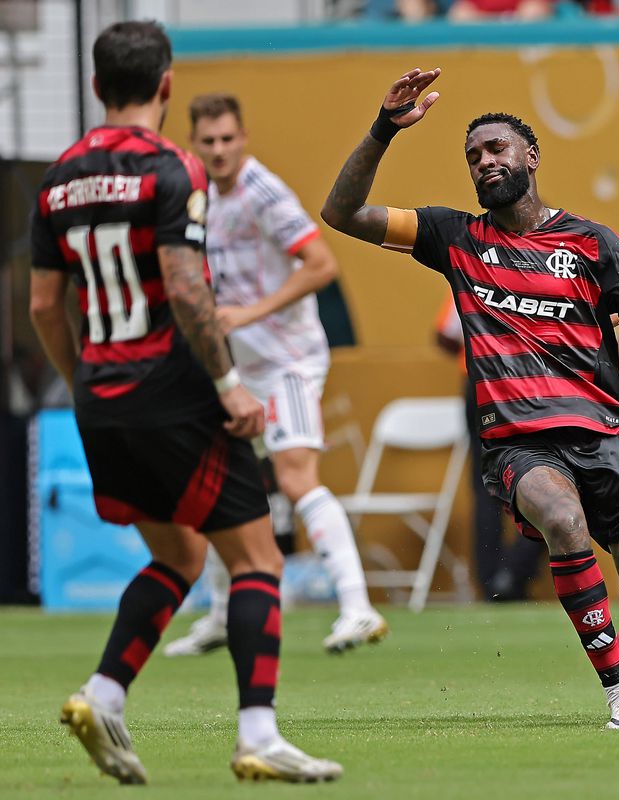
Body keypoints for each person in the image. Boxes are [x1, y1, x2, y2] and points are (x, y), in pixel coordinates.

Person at [320, 67, 619, 729]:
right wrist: (384, 128)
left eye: (496, 149)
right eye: (473, 156)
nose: (484, 162)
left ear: (531, 157)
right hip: (520, 443)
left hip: (609, 438)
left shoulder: (591, 243)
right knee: (561, 523)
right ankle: (618, 685)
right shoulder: (457, 238)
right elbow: (342, 214)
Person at [29, 21, 339, 783]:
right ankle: (259, 734)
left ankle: (103, 693)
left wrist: (82, 381)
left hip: (100, 393)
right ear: (166, 86)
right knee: (258, 557)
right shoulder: (174, 168)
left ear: (99, 88)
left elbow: (43, 305)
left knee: (178, 553)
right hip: (174, 391)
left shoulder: (58, 178)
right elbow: (186, 287)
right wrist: (231, 385)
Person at [162, 93, 387, 657]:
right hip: (238, 365)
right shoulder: (201, 197)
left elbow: (321, 264)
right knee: (213, 480)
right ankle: (218, 616)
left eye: (227, 139)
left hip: (287, 358)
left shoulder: (262, 191)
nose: (218, 150)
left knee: (294, 478)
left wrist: (247, 314)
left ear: (243, 138)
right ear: (196, 143)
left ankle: (358, 607)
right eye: (207, 141)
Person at [433, 294, 544, 600]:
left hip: (481, 383)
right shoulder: (545, 265)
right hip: (533, 383)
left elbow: (445, 334)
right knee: (545, 476)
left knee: (486, 486)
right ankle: (515, 574)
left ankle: (492, 580)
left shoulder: (470, 267)